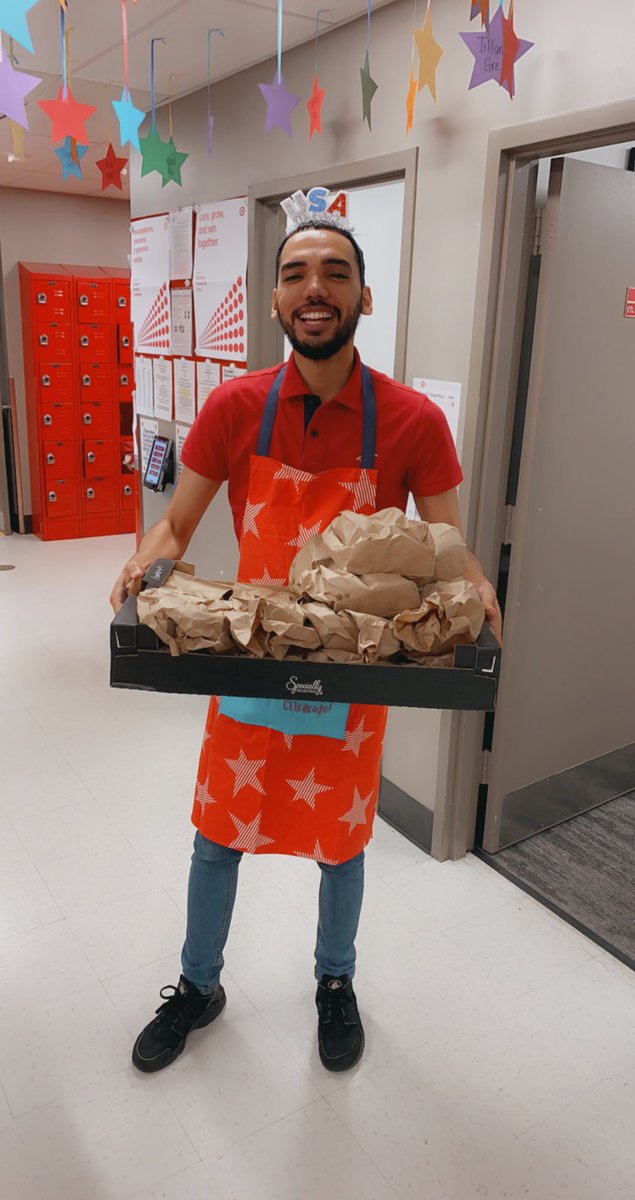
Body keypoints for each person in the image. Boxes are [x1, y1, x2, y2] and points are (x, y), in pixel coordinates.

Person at [110, 218, 502, 1076]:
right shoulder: (233, 406)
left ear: (365, 295)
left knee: (343, 842)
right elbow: (179, 520)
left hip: (350, 664)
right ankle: (198, 984)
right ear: (277, 298)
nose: (313, 287)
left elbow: (447, 541)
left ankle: (334, 982)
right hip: (251, 648)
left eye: (333, 272)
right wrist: (148, 555)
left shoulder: (410, 420)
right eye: (294, 273)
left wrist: (474, 585)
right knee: (217, 834)